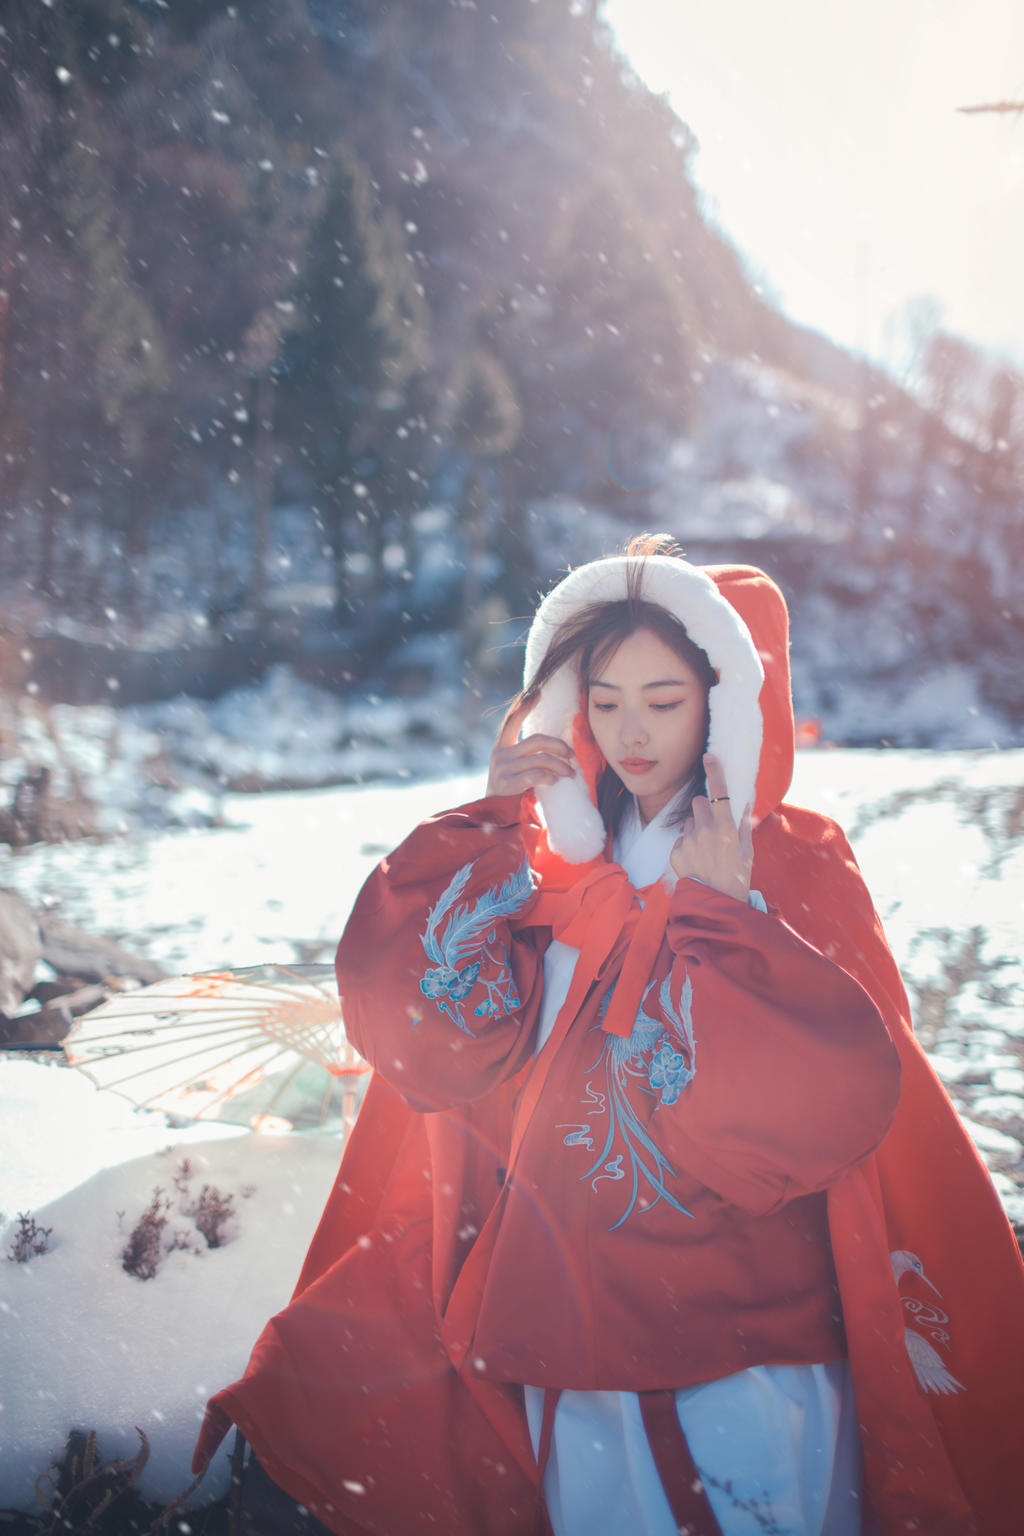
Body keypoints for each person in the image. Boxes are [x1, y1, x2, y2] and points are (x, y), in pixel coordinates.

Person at [194, 537, 1024, 1536]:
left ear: (721, 704)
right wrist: (494, 825)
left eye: (664, 701)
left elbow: (827, 1105)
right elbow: (425, 1033)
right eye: (604, 700)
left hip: (744, 1319)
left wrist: (725, 918)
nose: (631, 731)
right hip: (564, 1302)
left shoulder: (793, 864)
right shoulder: (554, 871)